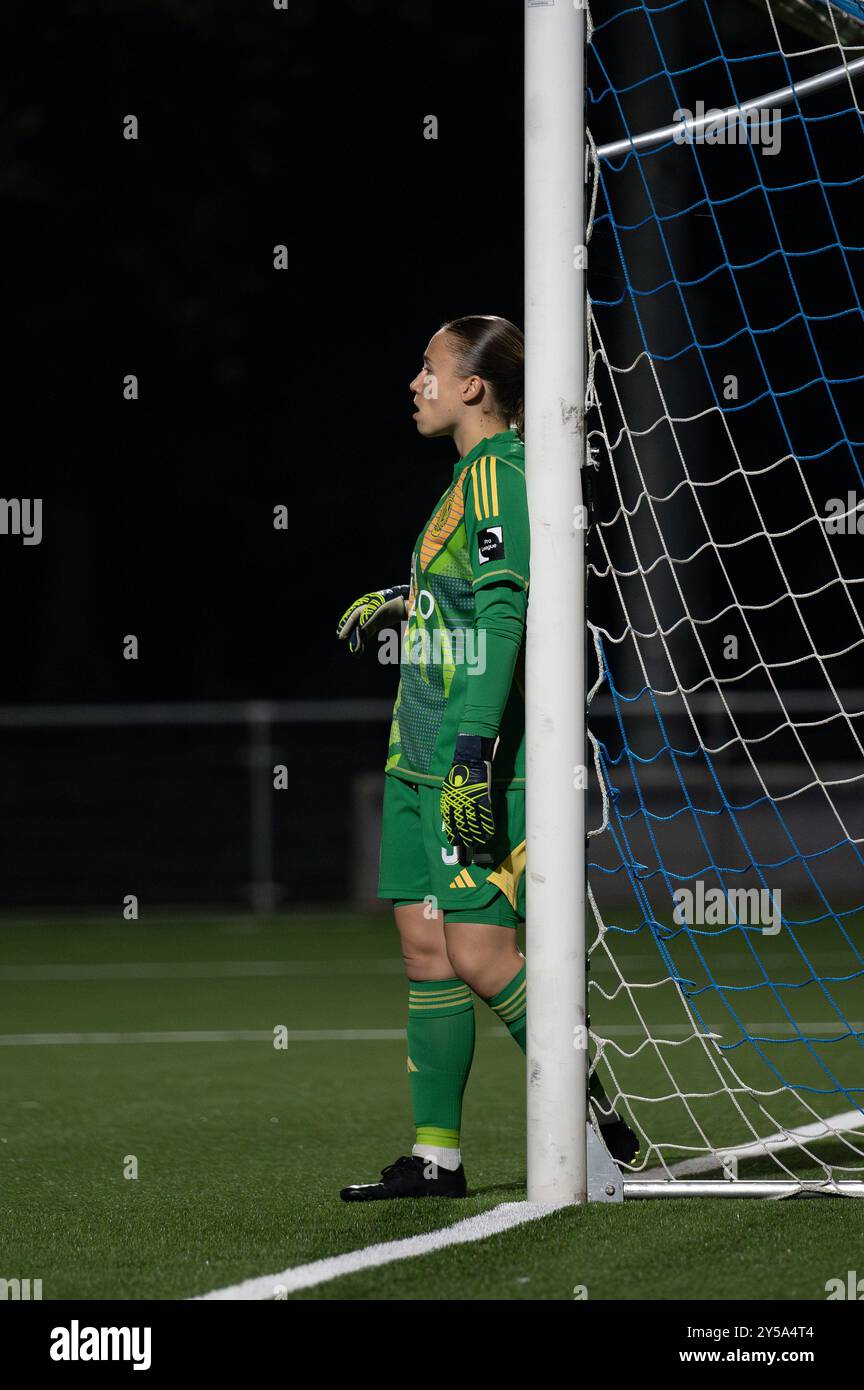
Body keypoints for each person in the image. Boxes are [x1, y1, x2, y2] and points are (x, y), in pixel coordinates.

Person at [335, 315, 637, 1201]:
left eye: (427, 369)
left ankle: (595, 1117)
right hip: (415, 754)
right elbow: (471, 594)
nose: (415, 383)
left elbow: (508, 617)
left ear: (473, 387)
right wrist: (407, 598)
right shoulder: (465, 480)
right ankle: (437, 1159)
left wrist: (474, 754)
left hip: (465, 758)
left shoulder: (501, 474)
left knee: (478, 953)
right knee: (425, 948)